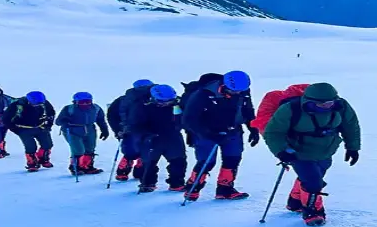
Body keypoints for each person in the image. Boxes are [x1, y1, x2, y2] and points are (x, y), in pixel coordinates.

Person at [263, 83, 361, 226]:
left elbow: (351, 126)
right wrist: (281, 151)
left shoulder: (341, 106)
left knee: (315, 175)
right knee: (314, 181)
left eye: (330, 103)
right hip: (299, 152)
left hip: (326, 150)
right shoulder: (291, 109)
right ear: (310, 101)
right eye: (322, 104)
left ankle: (295, 202)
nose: (327, 106)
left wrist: (353, 148)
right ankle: (313, 212)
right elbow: (273, 132)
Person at [180, 70, 257, 201]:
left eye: (240, 91)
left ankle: (225, 189)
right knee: (206, 162)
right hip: (207, 133)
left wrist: (253, 129)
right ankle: (192, 188)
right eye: (233, 91)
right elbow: (189, 119)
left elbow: (247, 110)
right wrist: (208, 134)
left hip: (233, 131)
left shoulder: (242, 91)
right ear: (224, 85)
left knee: (232, 159)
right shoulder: (203, 94)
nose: (237, 94)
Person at [250, 83, 310, 211]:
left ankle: (296, 200)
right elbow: (265, 125)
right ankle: (309, 207)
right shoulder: (273, 98)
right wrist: (281, 146)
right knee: (310, 171)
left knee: (310, 170)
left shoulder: (317, 99)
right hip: (287, 141)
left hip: (310, 141)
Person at [126, 84, 188, 193]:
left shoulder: (177, 105)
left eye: (169, 101)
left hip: (173, 136)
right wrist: (145, 135)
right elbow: (135, 125)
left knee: (178, 161)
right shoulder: (141, 106)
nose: (166, 104)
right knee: (149, 162)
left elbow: (183, 119)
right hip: (151, 138)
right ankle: (147, 184)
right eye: (162, 101)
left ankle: (177, 183)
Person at [55, 92, 110, 175]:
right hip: (72, 130)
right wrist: (64, 122)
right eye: (81, 102)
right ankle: (75, 167)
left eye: (88, 102)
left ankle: (87, 166)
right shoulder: (69, 109)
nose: (85, 104)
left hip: (90, 129)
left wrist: (104, 130)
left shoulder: (95, 108)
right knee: (78, 150)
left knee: (90, 148)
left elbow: (100, 120)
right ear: (75, 102)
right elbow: (58, 121)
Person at [109, 79, 154, 181]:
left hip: (127, 130)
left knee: (130, 151)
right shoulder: (152, 99)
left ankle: (123, 172)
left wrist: (117, 130)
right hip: (146, 130)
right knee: (144, 151)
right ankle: (140, 172)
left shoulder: (122, 100)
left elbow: (112, 116)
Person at [3, 91, 57, 172]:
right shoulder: (17, 105)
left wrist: (48, 125)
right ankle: (32, 163)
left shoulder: (44, 103)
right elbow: (6, 119)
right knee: (30, 146)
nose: (38, 105)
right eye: (36, 103)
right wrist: (16, 130)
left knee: (48, 144)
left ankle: (43, 159)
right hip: (23, 129)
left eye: (40, 103)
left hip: (41, 127)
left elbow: (51, 114)